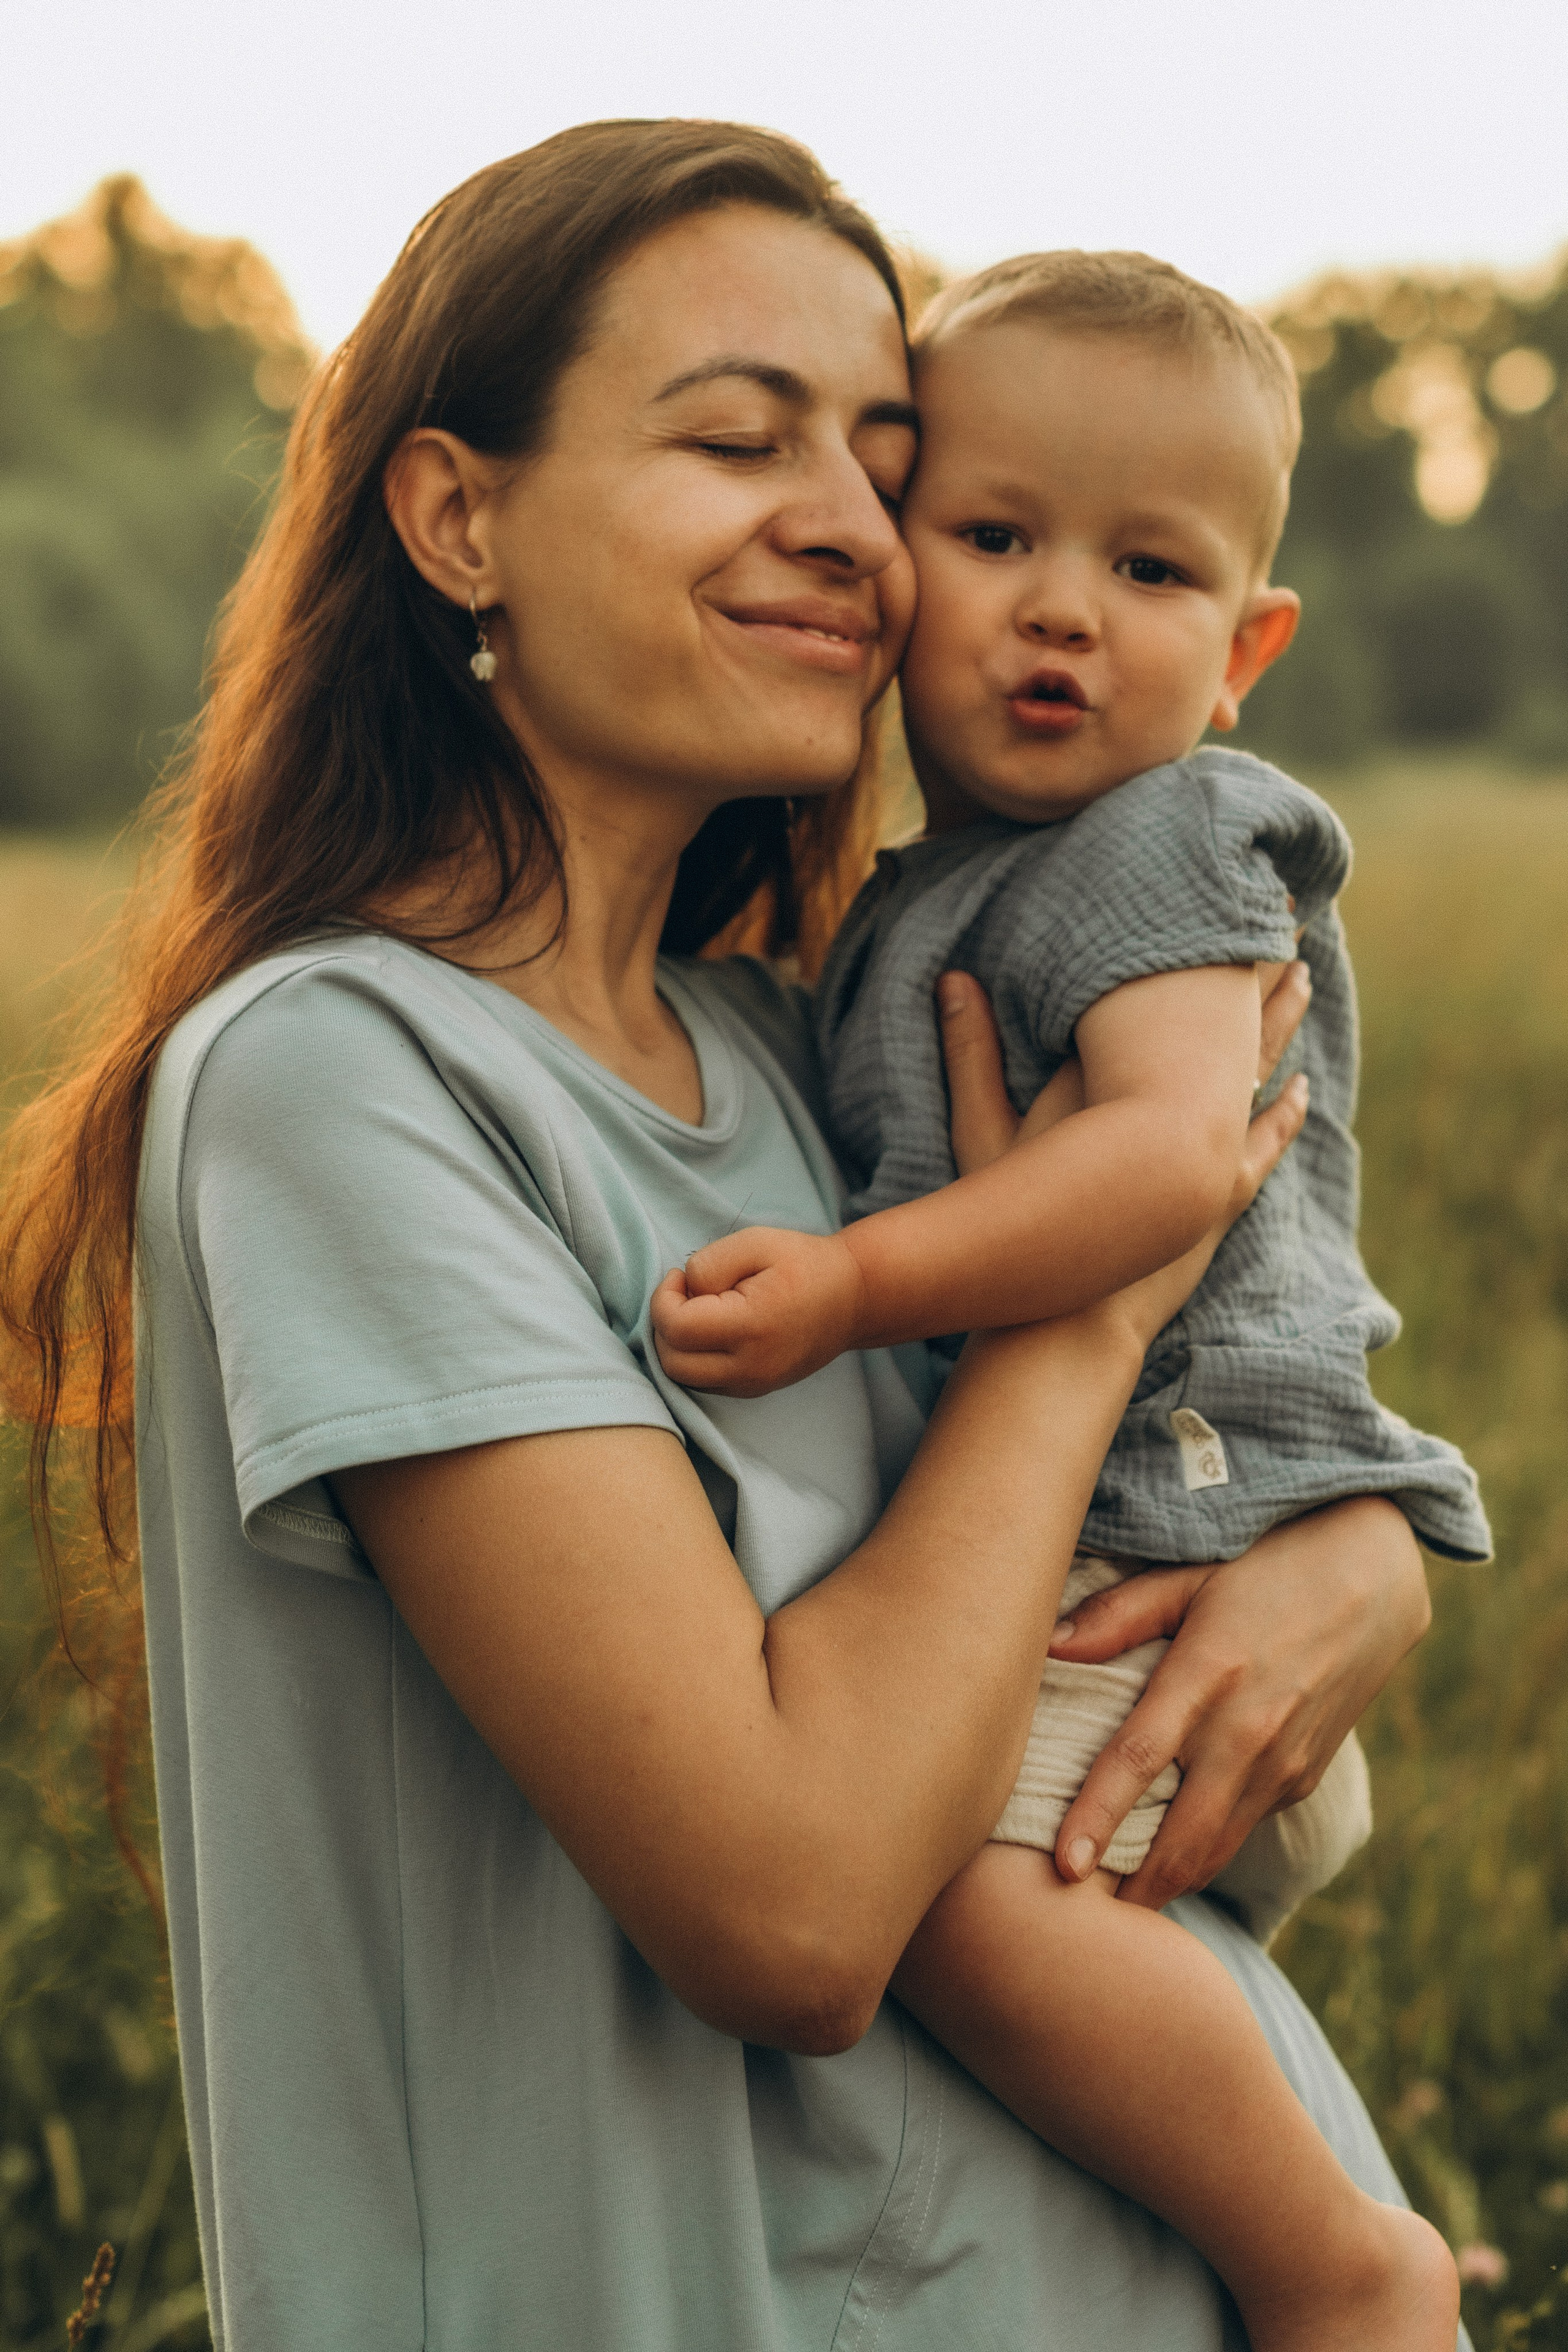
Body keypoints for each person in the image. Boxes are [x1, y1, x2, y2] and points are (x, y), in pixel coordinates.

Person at [0, 126, 1450, 2351]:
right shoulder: (341, 1075)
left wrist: (1342, 1550)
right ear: (456, 515)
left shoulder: (798, 1051)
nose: (852, 530)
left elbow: (1112, 1509)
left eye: (885, 462)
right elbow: (787, 1910)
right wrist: (1075, 1321)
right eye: (736, 438)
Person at [655, 249, 1488, 2347]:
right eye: (1000, 536)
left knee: (940, 1904)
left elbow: (1159, 1164)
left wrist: (860, 1282)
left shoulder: (1164, 834)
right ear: (901, 562)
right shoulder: (935, 887)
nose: (1060, 608)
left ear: (1246, 649)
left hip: (1175, 1541)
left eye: (1147, 568)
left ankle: (1345, 2269)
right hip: (1114, 1548)